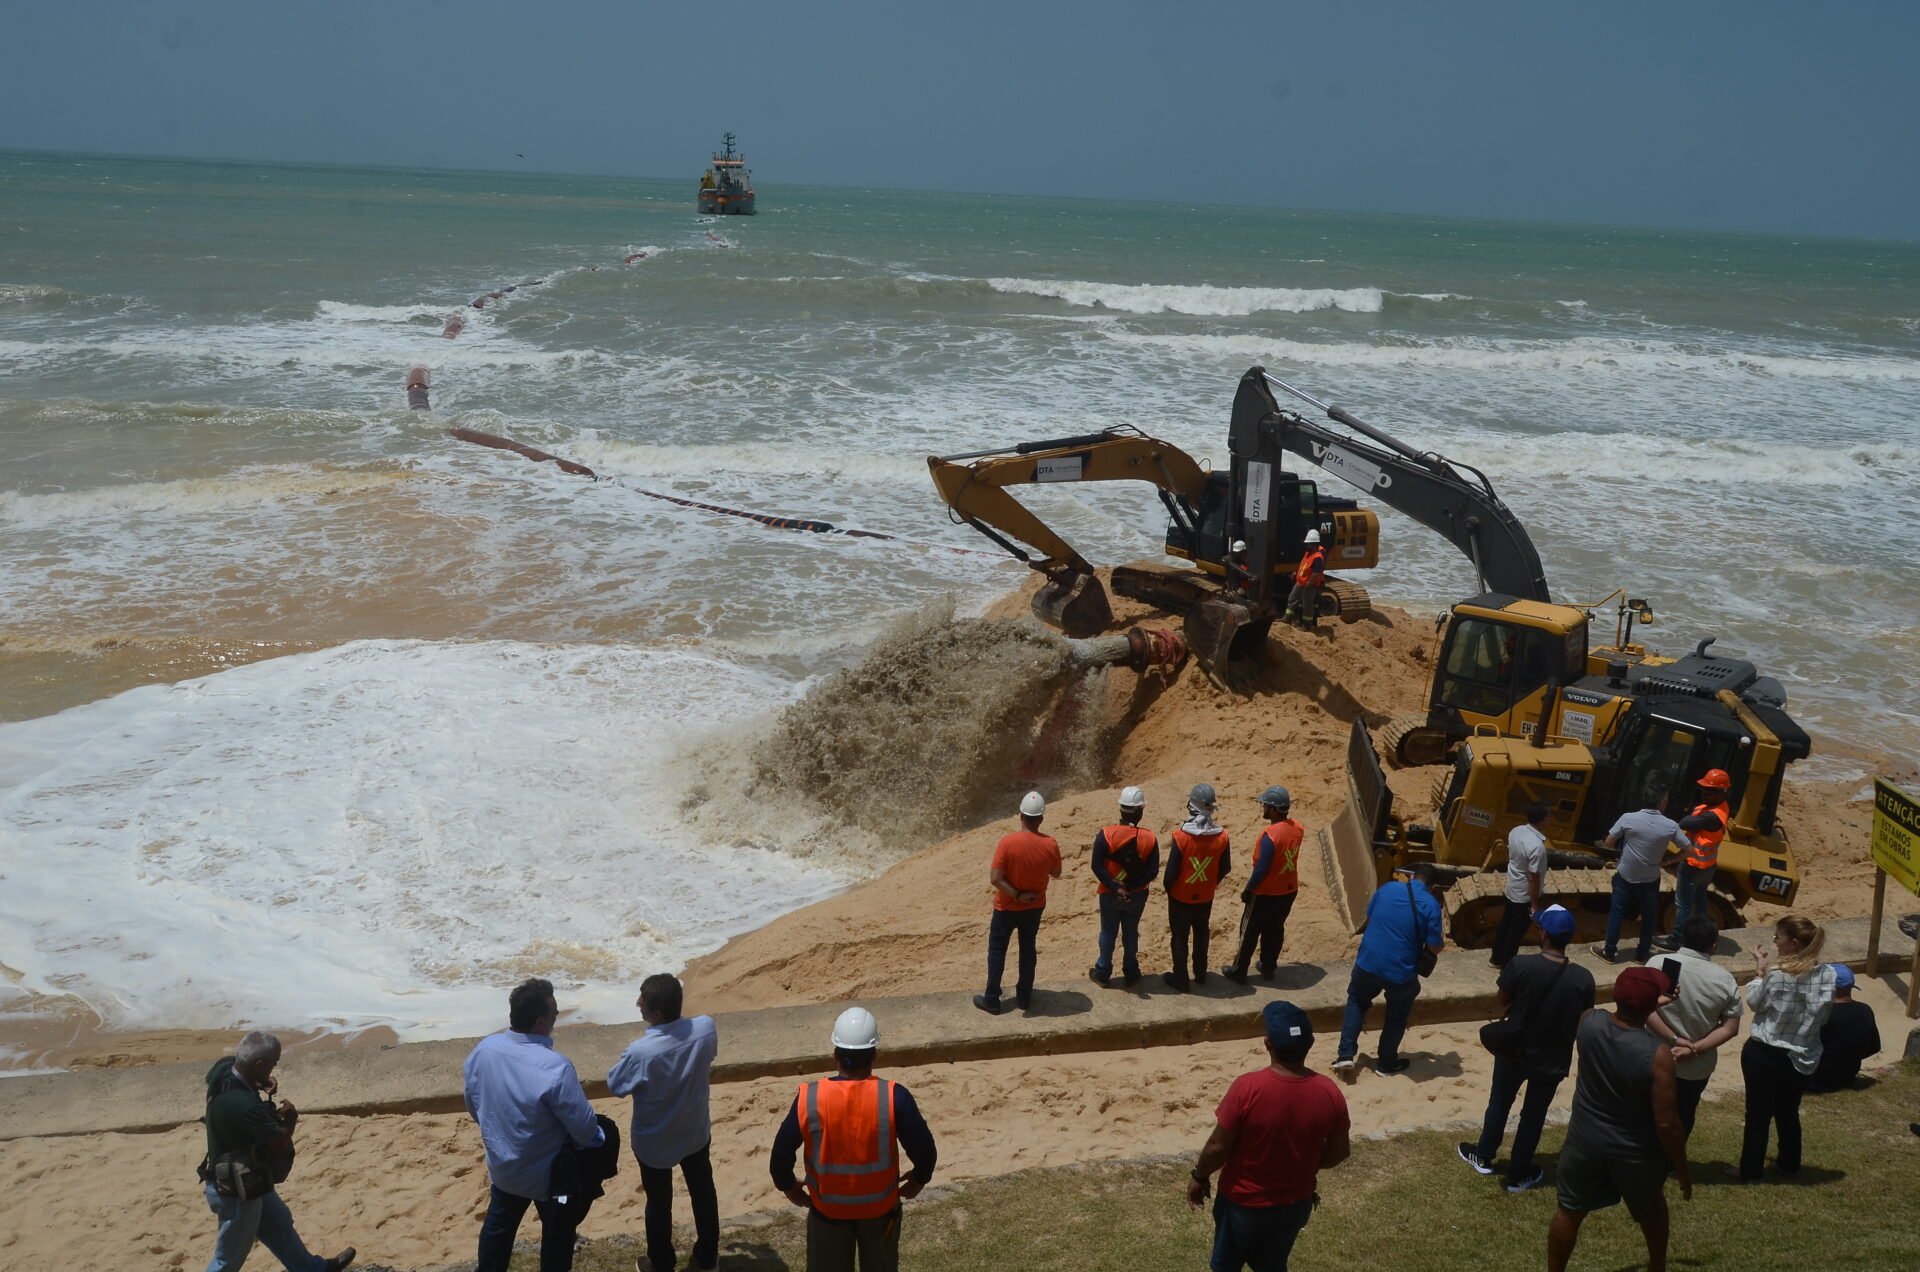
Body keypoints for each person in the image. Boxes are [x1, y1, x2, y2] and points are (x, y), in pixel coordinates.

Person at [770, 1007, 937, 1272]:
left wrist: (788, 1186)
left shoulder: (809, 1099)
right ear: (874, 1054)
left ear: (835, 1053)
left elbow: (780, 1153)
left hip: (827, 1214)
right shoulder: (894, 1097)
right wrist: (919, 1179)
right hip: (881, 1212)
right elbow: (924, 1149)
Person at [1187, 1001, 1350, 1272]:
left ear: (1267, 1044)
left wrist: (1199, 1176)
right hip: (1294, 1204)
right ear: (1310, 1044)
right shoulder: (1329, 1092)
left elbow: (1218, 1147)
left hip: (1243, 1204)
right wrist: (1303, 1163)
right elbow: (1340, 1151)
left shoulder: (1247, 1088)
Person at [1548, 967, 1691, 1272]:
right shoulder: (1658, 1055)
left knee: (1569, 1211)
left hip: (1584, 1140)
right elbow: (1667, 1125)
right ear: (1652, 1006)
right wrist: (1680, 1166)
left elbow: (1616, 1021)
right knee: (1652, 1209)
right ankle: (1657, 1267)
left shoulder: (1589, 1022)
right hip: (1634, 1150)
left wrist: (1651, 1004)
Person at [464, 977, 609, 1272]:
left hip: (504, 1166)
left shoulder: (484, 1050)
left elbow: (473, 1103)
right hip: (552, 1177)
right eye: (554, 1013)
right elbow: (583, 1129)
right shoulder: (555, 1067)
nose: (557, 1016)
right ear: (541, 1022)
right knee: (558, 1232)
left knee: (498, 1227)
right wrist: (601, 1138)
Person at [1457, 904, 1595, 1192]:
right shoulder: (1584, 978)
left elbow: (1502, 998)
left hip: (1515, 1050)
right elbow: (1584, 1017)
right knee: (1534, 1115)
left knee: (1499, 1103)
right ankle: (1519, 1175)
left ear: (1543, 933)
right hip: (1553, 1056)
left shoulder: (1521, 965)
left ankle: (1483, 1156)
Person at [198, 1031, 356, 1272]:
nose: (273, 1069)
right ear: (259, 1064)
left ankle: (313, 1269)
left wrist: (260, 1082)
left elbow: (241, 1077)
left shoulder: (224, 1069)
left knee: (279, 1223)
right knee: (228, 1259)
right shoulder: (243, 1105)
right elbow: (278, 1143)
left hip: (250, 1178)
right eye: (273, 1064)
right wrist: (291, 1119)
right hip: (237, 1192)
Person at [607, 974, 720, 1272]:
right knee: (703, 1193)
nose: (637, 1004)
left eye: (642, 1001)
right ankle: (707, 1257)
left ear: (656, 1013)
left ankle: (661, 1262)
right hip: (695, 1131)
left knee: (658, 1204)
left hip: (655, 1142)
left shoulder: (640, 1052)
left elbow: (616, 1085)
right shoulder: (706, 1029)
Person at [1736, 915, 1836, 1180]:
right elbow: (1824, 1015)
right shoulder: (1829, 974)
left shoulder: (1777, 975)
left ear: (1793, 943)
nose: (1775, 942)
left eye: (1778, 937)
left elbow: (1756, 1003)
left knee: (1758, 1115)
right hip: (1803, 1054)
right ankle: (1789, 1164)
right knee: (1788, 1111)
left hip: (1766, 1052)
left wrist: (1760, 972)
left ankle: (1750, 1171)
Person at [1332, 865, 1444, 1077]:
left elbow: (1371, 916)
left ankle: (1345, 1055)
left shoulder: (1387, 889)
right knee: (1396, 1016)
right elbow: (1435, 946)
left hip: (1368, 962)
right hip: (1400, 971)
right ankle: (1386, 1063)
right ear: (1433, 886)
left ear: (1411, 877)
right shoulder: (1431, 905)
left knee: (1356, 1000)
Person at [1642, 913, 1743, 1136]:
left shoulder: (1657, 963)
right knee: (1683, 1115)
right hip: (1695, 1066)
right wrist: (1693, 1048)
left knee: (1644, 1113)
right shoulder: (1725, 979)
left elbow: (1645, 1008)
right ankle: (1671, 1162)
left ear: (1682, 939)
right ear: (1713, 946)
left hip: (1651, 1057)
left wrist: (1674, 1039)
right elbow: (1730, 1028)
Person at [975, 790, 1063, 1014]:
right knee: (1028, 949)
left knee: (997, 951)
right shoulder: (1051, 844)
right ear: (1041, 818)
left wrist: (1016, 894)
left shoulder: (1007, 843)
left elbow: (995, 879)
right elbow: (1056, 872)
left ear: (1020, 816)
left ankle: (993, 999)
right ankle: (1024, 997)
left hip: (1006, 907)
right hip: (1034, 907)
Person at [1225, 786, 1304, 984]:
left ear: (1275, 810)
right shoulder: (1298, 828)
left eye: (1266, 806)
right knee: (1275, 929)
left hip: (1266, 892)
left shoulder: (1270, 835)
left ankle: (1239, 969)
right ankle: (1268, 966)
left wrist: (1248, 889)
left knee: (1249, 931)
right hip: (1288, 889)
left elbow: (1261, 869)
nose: (1263, 809)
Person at [1598, 801, 1691, 963]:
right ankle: (1641, 955)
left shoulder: (1628, 818)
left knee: (1617, 912)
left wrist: (1624, 851)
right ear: (1663, 803)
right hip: (1650, 878)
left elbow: (1608, 842)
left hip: (1626, 875)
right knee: (1649, 917)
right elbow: (1689, 850)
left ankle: (1609, 952)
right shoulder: (1670, 825)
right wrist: (1669, 860)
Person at [1163, 782, 1232, 992]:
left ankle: (1181, 979)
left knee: (1180, 937)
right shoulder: (1222, 836)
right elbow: (1225, 867)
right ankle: (1200, 974)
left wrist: (1170, 889)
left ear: (1192, 805)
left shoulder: (1181, 836)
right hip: (1205, 896)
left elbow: (1170, 874)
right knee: (1202, 933)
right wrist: (1210, 883)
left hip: (1180, 897)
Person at [1089, 785, 1160, 988]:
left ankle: (1103, 972)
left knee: (1108, 932)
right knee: (1130, 932)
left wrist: (1115, 886)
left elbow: (1096, 865)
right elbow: (1152, 871)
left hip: (1109, 893)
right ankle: (1131, 971)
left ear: (1121, 809)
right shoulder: (1150, 838)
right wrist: (1130, 886)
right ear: (1140, 811)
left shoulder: (1106, 834)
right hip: (1136, 895)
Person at [1656, 769, 1734, 949]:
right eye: (1702, 790)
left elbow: (1685, 823)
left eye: (1708, 791)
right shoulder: (1719, 808)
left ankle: (1676, 940)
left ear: (1721, 792)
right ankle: (1705, 936)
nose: (1703, 794)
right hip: (1707, 867)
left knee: (1682, 905)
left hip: (1693, 866)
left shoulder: (1711, 816)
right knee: (1700, 903)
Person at [1490, 801, 1550, 968]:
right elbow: (1533, 878)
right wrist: (1535, 905)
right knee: (1515, 933)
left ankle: (1495, 958)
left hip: (1512, 888)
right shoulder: (1537, 847)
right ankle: (1506, 966)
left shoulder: (1516, 831)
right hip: (1524, 895)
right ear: (1543, 820)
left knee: (1505, 925)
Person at [1808, 963, 1881, 1092]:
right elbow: (1873, 1047)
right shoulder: (1865, 1010)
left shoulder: (1824, 1015)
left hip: (1818, 1080)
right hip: (1848, 1076)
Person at [1283, 530, 1327, 629]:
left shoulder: (1318, 558)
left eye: (1308, 544)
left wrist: (1309, 583)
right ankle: (1287, 618)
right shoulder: (1308, 553)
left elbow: (1316, 573)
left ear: (1314, 544)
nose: (1306, 546)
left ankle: (1307, 624)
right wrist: (1296, 573)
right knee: (1292, 599)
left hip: (1308, 585)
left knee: (1307, 605)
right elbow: (1304, 566)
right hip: (1300, 582)